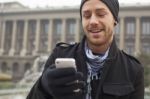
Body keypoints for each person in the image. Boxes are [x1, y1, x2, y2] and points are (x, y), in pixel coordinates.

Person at [26, 0, 144, 99]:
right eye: (86, 16)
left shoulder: (133, 69)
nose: (93, 21)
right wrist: (43, 87)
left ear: (115, 20)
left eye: (101, 14)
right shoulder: (60, 55)